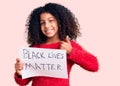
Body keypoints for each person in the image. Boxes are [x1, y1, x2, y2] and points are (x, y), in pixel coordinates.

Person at [14, 2, 99, 86]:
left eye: (51, 20)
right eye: (42, 23)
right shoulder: (34, 48)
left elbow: (94, 66)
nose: (47, 26)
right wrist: (19, 73)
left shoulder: (67, 46)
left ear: (60, 22)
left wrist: (71, 51)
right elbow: (23, 82)